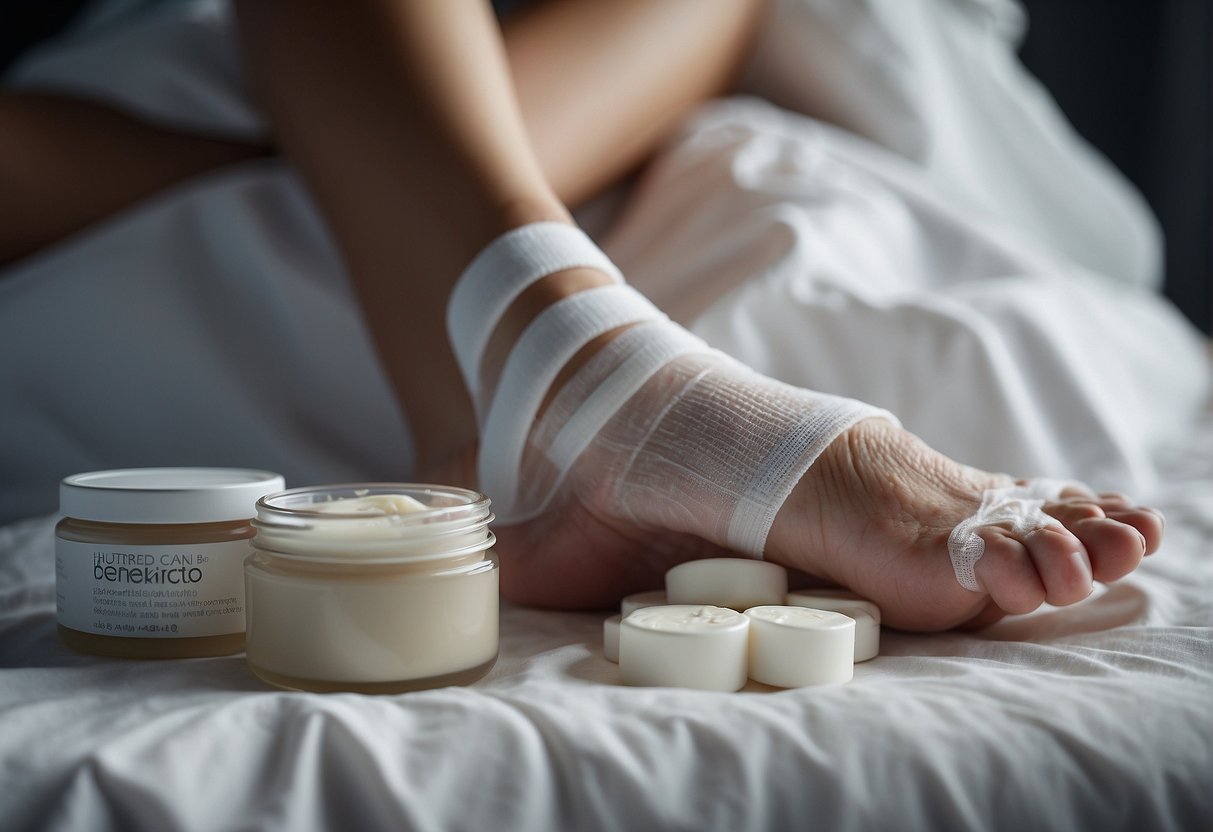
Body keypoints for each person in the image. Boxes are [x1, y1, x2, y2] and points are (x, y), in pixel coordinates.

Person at [0, 0, 1164, 631]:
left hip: (587, 115)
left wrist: (368, 145)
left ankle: (572, 383)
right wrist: (358, 145)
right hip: (157, 146)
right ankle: (591, 387)